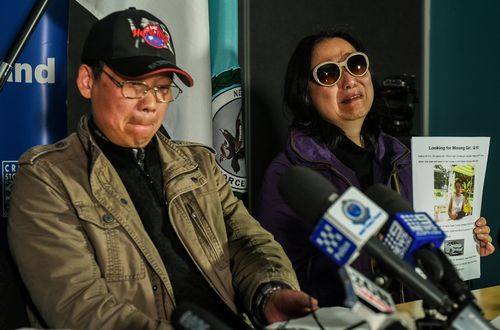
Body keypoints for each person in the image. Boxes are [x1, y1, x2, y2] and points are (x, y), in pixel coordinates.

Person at [7, 8, 318, 329]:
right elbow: (80, 308)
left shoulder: (200, 164)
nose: (150, 103)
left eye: (162, 88)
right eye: (133, 85)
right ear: (88, 81)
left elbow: (247, 242)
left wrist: (270, 292)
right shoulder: (46, 178)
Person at [256, 29, 495, 307]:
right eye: (329, 74)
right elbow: (279, 274)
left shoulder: (403, 157)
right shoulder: (288, 173)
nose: (348, 81)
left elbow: (429, 241)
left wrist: (464, 235)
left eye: (355, 65)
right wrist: (372, 251)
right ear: (306, 93)